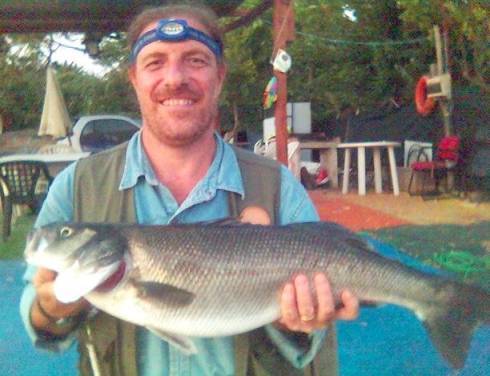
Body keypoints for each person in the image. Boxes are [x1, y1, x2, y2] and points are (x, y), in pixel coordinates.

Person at [20, 3, 359, 375]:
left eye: (195, 60)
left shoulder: (278, 187)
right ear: (133, 78)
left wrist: (294, 321)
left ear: (220, 75)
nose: (175, 77)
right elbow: (39, 323)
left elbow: (314, 343)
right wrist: (49, 311)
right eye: (155, 63)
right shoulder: (76, 188)